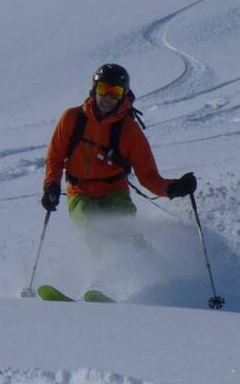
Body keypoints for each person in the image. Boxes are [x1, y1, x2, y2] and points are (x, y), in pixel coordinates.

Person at [41, 63, 197, 259]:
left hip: (115, 191)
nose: (108, 97)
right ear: (94, 88)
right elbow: (54, 158)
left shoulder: (129, 131)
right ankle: (108, 280)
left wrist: (173, 188)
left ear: (123, 94)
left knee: (126, 233)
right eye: (104, 89)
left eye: (114, 92)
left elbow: (148, 176)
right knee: (91, 226)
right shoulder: (72, 118)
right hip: (79, 192)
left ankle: (153, 268)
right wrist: (51, 185)